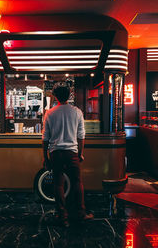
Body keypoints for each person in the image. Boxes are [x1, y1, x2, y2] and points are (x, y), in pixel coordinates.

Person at [42, 82, 93, 227]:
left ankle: (62, 216)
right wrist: (80, 154)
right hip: (72, 152)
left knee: (58, 183)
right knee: (77, 182)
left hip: (56, 152)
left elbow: (45, 138)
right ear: (69, 95)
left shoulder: (50, 113)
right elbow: (81, 135)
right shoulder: (77, 111)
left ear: (55, 96)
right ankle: (80, 213)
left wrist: (45, 158)